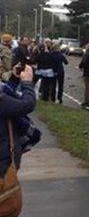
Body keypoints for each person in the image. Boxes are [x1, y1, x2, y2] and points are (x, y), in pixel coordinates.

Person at [0, 63, 36, 216]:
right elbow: (26, 105)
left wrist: (14, 79)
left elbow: (6, 98)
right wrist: (27, 84)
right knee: (7, 201)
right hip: (2, 162)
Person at [79, 44, 89, 109]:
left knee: (87, 87)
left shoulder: (87, 54)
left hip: (87, 72)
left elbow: (83, 62)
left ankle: (87, 101)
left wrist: (80, 66)